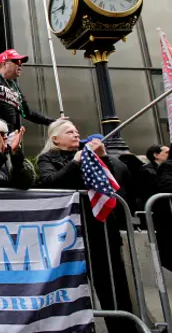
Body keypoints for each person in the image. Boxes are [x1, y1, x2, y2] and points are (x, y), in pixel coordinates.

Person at [37, 119, 137, 333]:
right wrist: (74, 163)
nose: (75, 134)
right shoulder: (47, 159)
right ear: (55, 138)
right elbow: (49, 183)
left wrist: (103, 157)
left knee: (113, 288)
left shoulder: (90, 154)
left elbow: (111, 180)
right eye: (69, 131)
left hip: (100, 230)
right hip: (69, 235)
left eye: (76, 130)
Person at [0, 49, 55, 143]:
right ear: (4, 63)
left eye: (21, 63)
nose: (20, 66)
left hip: (7, 134)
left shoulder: (15, 87)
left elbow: (27, 113)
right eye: (17, 62)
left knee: (7, 157)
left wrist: (51, 121)